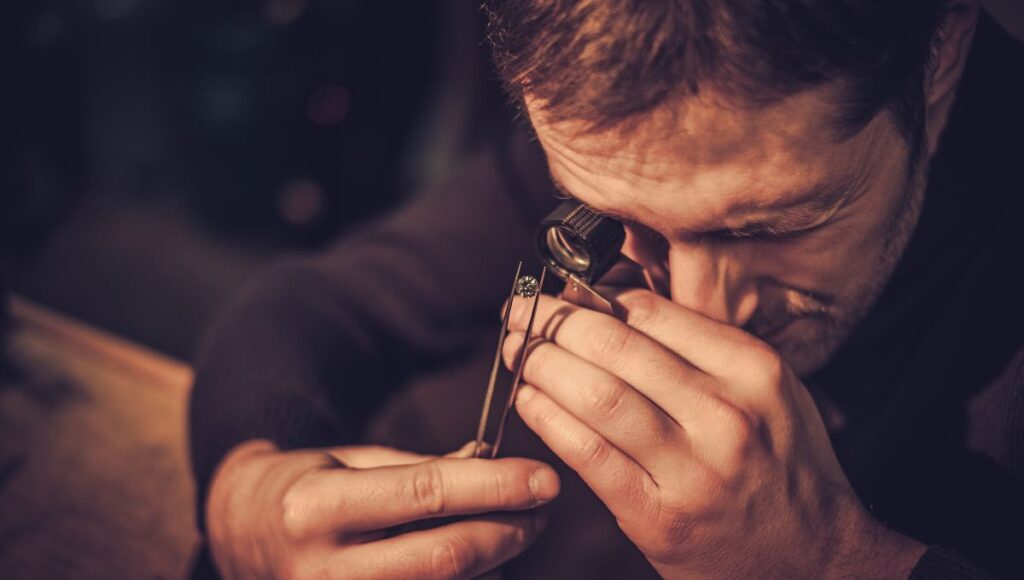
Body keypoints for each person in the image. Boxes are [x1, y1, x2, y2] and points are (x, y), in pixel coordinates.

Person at [188, 0, 1024, 578]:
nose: (697, 311)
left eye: (771, 228)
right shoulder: (637, 129)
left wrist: (836, 566)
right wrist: (251, 500)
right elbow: (324, 304)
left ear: (939, 53)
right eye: (617, 217)